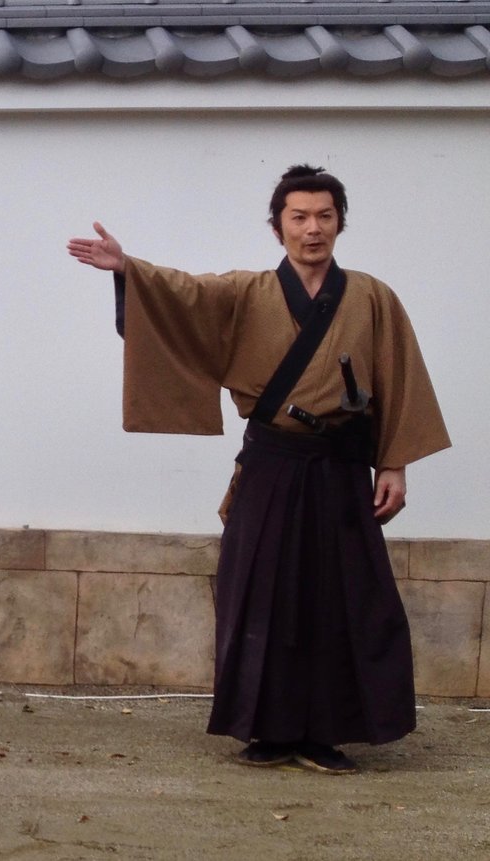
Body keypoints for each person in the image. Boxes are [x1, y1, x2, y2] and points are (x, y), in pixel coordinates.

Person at [66, 165, 448, 775]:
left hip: (340, 467)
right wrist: (128, 268)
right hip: (272, 463)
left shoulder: (373, 297)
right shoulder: (246, 294)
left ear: (340, 223)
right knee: (260, 595)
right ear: (278, 228)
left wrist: (393, 463)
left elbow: (399, 378)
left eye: (324, 216)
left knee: (340, 599)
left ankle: (327, 733)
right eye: (298, 217)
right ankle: (265, 731)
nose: (312, 229)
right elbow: (183, 294)